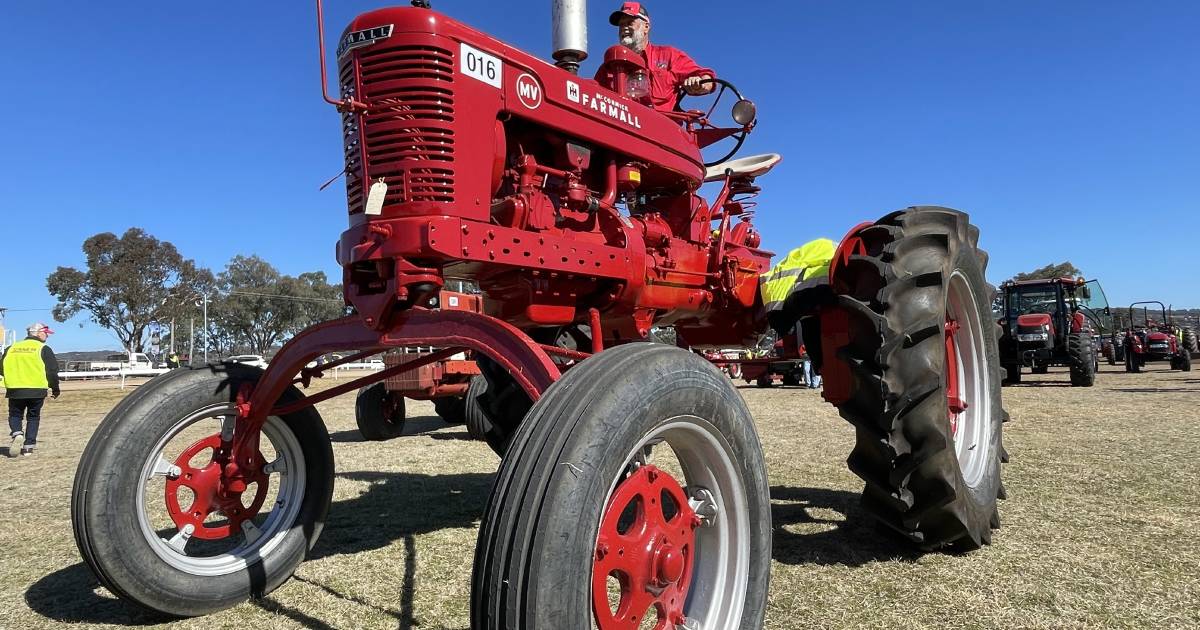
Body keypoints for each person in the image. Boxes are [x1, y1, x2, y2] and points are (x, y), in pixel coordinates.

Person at [604, 2, 716, 113]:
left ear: (646, 27)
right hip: (623, 128)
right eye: (621, 25)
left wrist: (700, 83)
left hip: (662, 128)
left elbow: (707, 80)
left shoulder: (669, 55)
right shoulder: (610, 66)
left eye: (630, 22)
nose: (624, 28)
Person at [0, 323, 60, 456]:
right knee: (33, 417)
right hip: (37, 389)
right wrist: (55, 388)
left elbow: (1, 367)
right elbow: (52, 371)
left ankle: (17, 433)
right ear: (38, 333)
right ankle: (28, 447)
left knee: (15, 415)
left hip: (15, 389)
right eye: (46, 333)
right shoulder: (43, 348)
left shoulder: (12, 347)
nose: (47, 336)